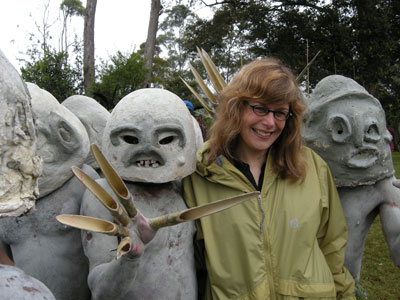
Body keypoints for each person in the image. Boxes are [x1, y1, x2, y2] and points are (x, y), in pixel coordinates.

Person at [183, 58, 356, 300]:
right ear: (236, 107)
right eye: (260, 108)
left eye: (280, 113)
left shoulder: (313, 168)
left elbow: (333, 248)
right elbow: (193, 266)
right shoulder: (201, 177)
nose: (269, 122)